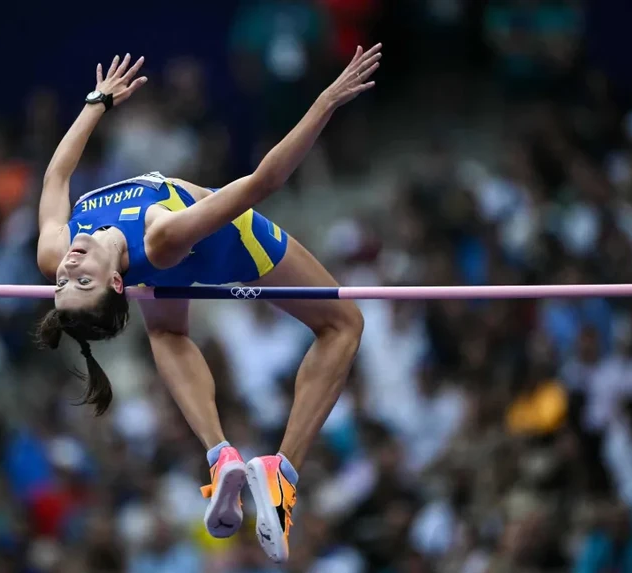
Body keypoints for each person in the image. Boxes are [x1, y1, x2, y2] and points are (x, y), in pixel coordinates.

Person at [35, 46, 380, 563]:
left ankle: (221, 457)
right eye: (80, 282)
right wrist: (324, 103)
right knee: (343, 324)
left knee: (167, 333)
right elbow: (264, 182)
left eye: (63, 282)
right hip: (231, 243)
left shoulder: (57, 252)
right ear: (112, 283)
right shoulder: (161, 234)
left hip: (165, 272)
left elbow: (56, 178)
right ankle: (282, 472)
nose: (67, 271)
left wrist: (96, 103)